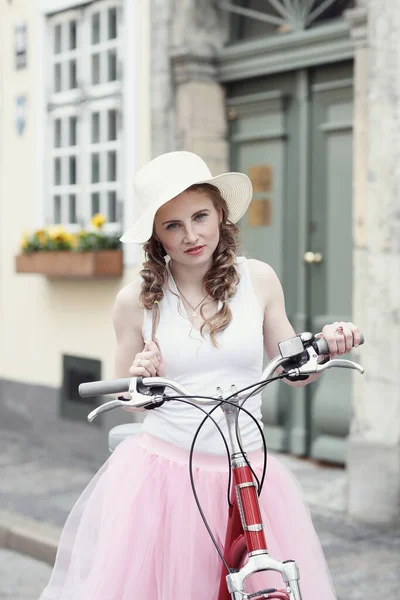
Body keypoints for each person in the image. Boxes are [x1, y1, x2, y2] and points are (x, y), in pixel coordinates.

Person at [39, 151, 361, 600]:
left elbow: (293, 370)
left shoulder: (260, 280)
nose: (192, 235)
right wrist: (140, 375)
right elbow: (125, 396)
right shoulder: (136, 301)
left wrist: (326, 345)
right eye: (173, 225)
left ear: (220, 215)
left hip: (249, 465)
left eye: (200, 216)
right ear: (157, 237)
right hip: (168, 476)